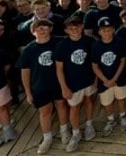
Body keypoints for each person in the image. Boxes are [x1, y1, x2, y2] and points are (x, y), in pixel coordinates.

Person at [17, 19, 69, 154]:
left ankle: (64, 130)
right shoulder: (29, 50)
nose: (41, 29)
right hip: (39, 85)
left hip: (58, 83)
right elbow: (25, 72)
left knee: (62, 105)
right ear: (33, 32)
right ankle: (47, 137)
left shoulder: (60, 42)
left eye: (45, 26)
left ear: (51, 29)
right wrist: (28, 92)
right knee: (45, 111)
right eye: (37, 27)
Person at [54, 16, 97, 152]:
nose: (75, 30)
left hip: (89, 79)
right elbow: (59, 69)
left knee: (89, 101)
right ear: (66, 30)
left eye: (77, 27)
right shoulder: (62, 46)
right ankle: (76, 132)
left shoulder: (90, 41)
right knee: (74, 107)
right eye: (71, 28)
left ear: (82, 27)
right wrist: (64, 87)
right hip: (72, 83)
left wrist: (96, 79)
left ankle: (89, 125)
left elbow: (95, 63)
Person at [91, 17, 126, 136]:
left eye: (109, 30)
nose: (106, 33)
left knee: (121, 98)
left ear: (113, 30)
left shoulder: (119, 42)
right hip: (104, 80)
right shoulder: (96, 46)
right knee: (107, 101)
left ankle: (123, 116)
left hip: (119, 77)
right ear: (99, 32)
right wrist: (105, 80)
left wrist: (114, 79)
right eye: (103, 30)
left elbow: (123, 60)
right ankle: (111, 119)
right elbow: (94, 66)